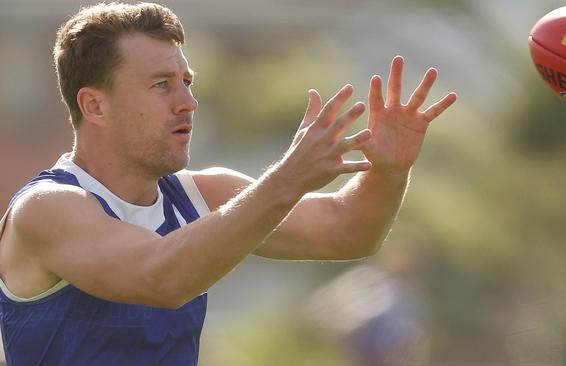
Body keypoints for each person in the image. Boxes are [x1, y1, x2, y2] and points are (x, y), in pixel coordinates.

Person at [0, 2, 456, 365]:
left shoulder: (201, 194)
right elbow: (161, 277)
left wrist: (389, 171)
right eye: (161, 85)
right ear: (95, 106)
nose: (188, 102)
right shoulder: (47, 209)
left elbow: (347, 231)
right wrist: (287, 179)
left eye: (187, 81)